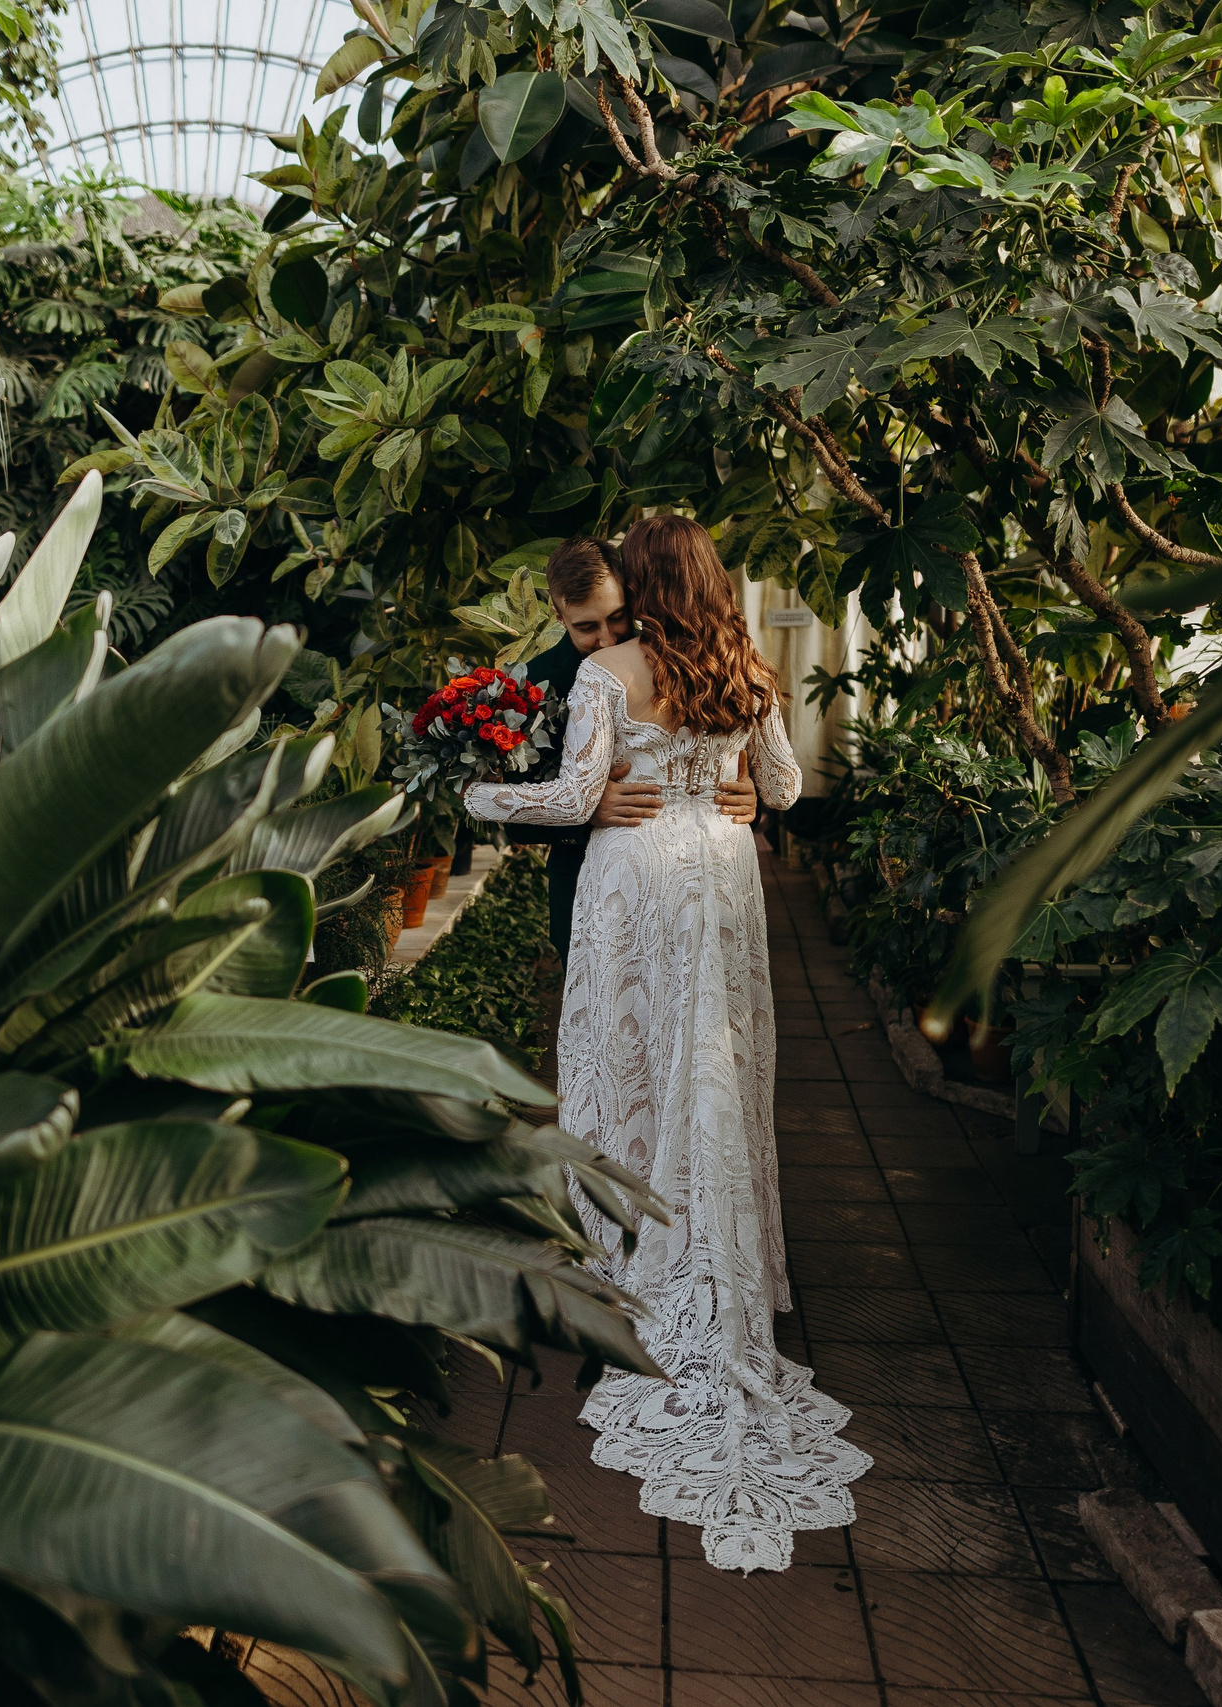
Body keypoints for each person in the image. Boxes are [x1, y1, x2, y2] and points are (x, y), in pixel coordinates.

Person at [465, 516, 870, 1572]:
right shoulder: (749, 666)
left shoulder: (608, 674)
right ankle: (713, 1271)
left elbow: (564, 799)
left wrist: (467, 791)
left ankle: (619, 1269)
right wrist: (733, 790)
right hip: (723, 883)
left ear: (639, 584)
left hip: (634, 879)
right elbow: (782, 792)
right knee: (714, 1075)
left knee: (623, 1068)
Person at [510, 537, 758, 958]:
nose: (606, 640)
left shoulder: (677, 655)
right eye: (586, 627)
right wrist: (585, 811)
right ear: (558, 615)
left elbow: (714, 738)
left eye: (618, 617)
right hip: (584, 887)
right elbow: (515, 819)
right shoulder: (529, 684)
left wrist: (742, 781)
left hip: (684, 887)